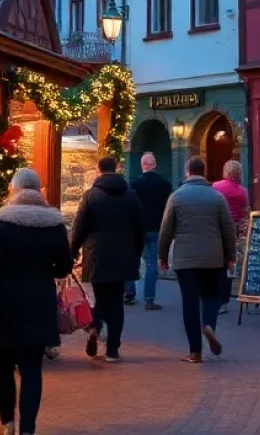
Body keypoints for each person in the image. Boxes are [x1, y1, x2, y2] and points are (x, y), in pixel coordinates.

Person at [0, 168, 72, 435]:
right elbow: (63, 267)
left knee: (3, 367)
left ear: (13, 189)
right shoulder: (54, 224)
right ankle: (28, 429)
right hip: (38, 303)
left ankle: (7, 423)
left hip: (3, 305)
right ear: (38, 190)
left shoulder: (2, 223)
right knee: (32, 368)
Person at [158, 156, 236, 363]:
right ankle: (208, 324)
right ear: (204, 172)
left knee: (190, 303)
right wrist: (230, 256)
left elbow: (166, 230)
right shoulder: (217, 197)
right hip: (214, 257)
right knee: (212, 296)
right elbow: (228, 229)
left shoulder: (176, 197)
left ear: (187, 172)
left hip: (186, 260)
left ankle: (195, 351)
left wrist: (162, 256)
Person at [70, 156, 145, 362]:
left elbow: (80, 227)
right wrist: (136, 254)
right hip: (123, 255)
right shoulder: (131, 196)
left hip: (97, 254)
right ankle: (113, 349)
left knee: (100, 297)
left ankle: (94, 326)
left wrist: (73, 249)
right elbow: (140, 229)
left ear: (98, 170)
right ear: (117, 168)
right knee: (117, 301)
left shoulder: (91, 196)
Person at [127, 151, 173, 309]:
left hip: (137, 228)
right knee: (152, 263)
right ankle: (149, 298)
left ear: (142, 166)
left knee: (132, 259)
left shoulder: (133, 185)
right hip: (155, 227)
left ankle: (129, 291)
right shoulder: (165, 185)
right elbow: (167, 209)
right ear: (154, 165)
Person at [213, 159, 250, 311]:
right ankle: (224, 300)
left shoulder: (216, 187)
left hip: (217, 230)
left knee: (215, 265)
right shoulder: (243, 191)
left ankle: (213, 296)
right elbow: (245, 213)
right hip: (233, 231)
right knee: (228, 266)